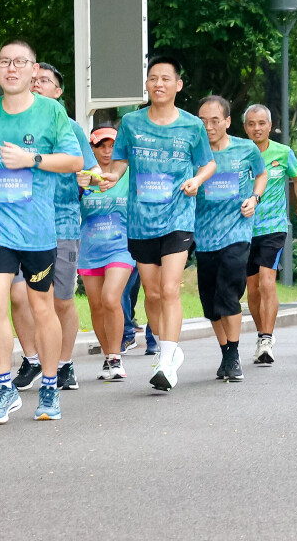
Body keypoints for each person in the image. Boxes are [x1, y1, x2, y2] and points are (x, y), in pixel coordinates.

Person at [0, 38, 83, 423]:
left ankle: (49, 386)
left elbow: (74, 160)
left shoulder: (52, 112)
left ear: (35, 70)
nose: (11, 68)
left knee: (41, 306)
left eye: (20, 62)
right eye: (4, 62)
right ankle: (4, 388)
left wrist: (31, 158)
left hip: (37, 228)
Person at [98, 56, 216, 391]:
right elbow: (119, 162)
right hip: (140, 220)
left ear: (178, 85)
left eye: (165, 78)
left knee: (168, 288)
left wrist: (196, 180)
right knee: (151, 292)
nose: (158, 84)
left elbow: (207, 164)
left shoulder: (192, 125)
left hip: (178, 216)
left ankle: (166, 359)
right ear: (147, 85)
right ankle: (168, 348)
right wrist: (109, 177)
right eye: (153, 78)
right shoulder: (132, 122)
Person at [0, 62, 97, 393]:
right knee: (17, 295)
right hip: (18, 224)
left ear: (58, 92)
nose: (37, 84)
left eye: (44, 81)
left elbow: (94, 174)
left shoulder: (70, 128)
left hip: (61, 224)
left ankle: (65, 363)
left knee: (60, 301)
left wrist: (89, 179)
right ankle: (33, 359)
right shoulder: (10, 123)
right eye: (34, 79)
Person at [194, 96, 267, 381]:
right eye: (203, 121)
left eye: (215, 120)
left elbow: (261, 175)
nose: (209, 126)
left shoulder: (246, 148)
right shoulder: (194, 153)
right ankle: (226, 351)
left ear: (227, 121)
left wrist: (254, 197)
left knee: (229, 293)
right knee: (211, 303)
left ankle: (234, 354)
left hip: (237, 231)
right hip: (203, 235)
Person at [242, 104, 297, 365]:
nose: (256, 128)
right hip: (244, 227)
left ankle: (267, 338)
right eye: (251, 123)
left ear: (270, 126)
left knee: (267, 281)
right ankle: (261, 335)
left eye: (261, 123)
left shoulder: (283, 152)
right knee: (252, 287)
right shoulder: (239, 152)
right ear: (245, 127)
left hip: (273, 226)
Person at [77, 125, 134, 381]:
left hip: (121, 247)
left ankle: (116, 356)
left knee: (111, 298)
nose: (107, 151)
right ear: (92, 148)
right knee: (97, 305)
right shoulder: (83, 177)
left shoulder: (128, 174)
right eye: (101, 145)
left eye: (112, 145)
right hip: (89, 248)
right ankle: (107, 357)